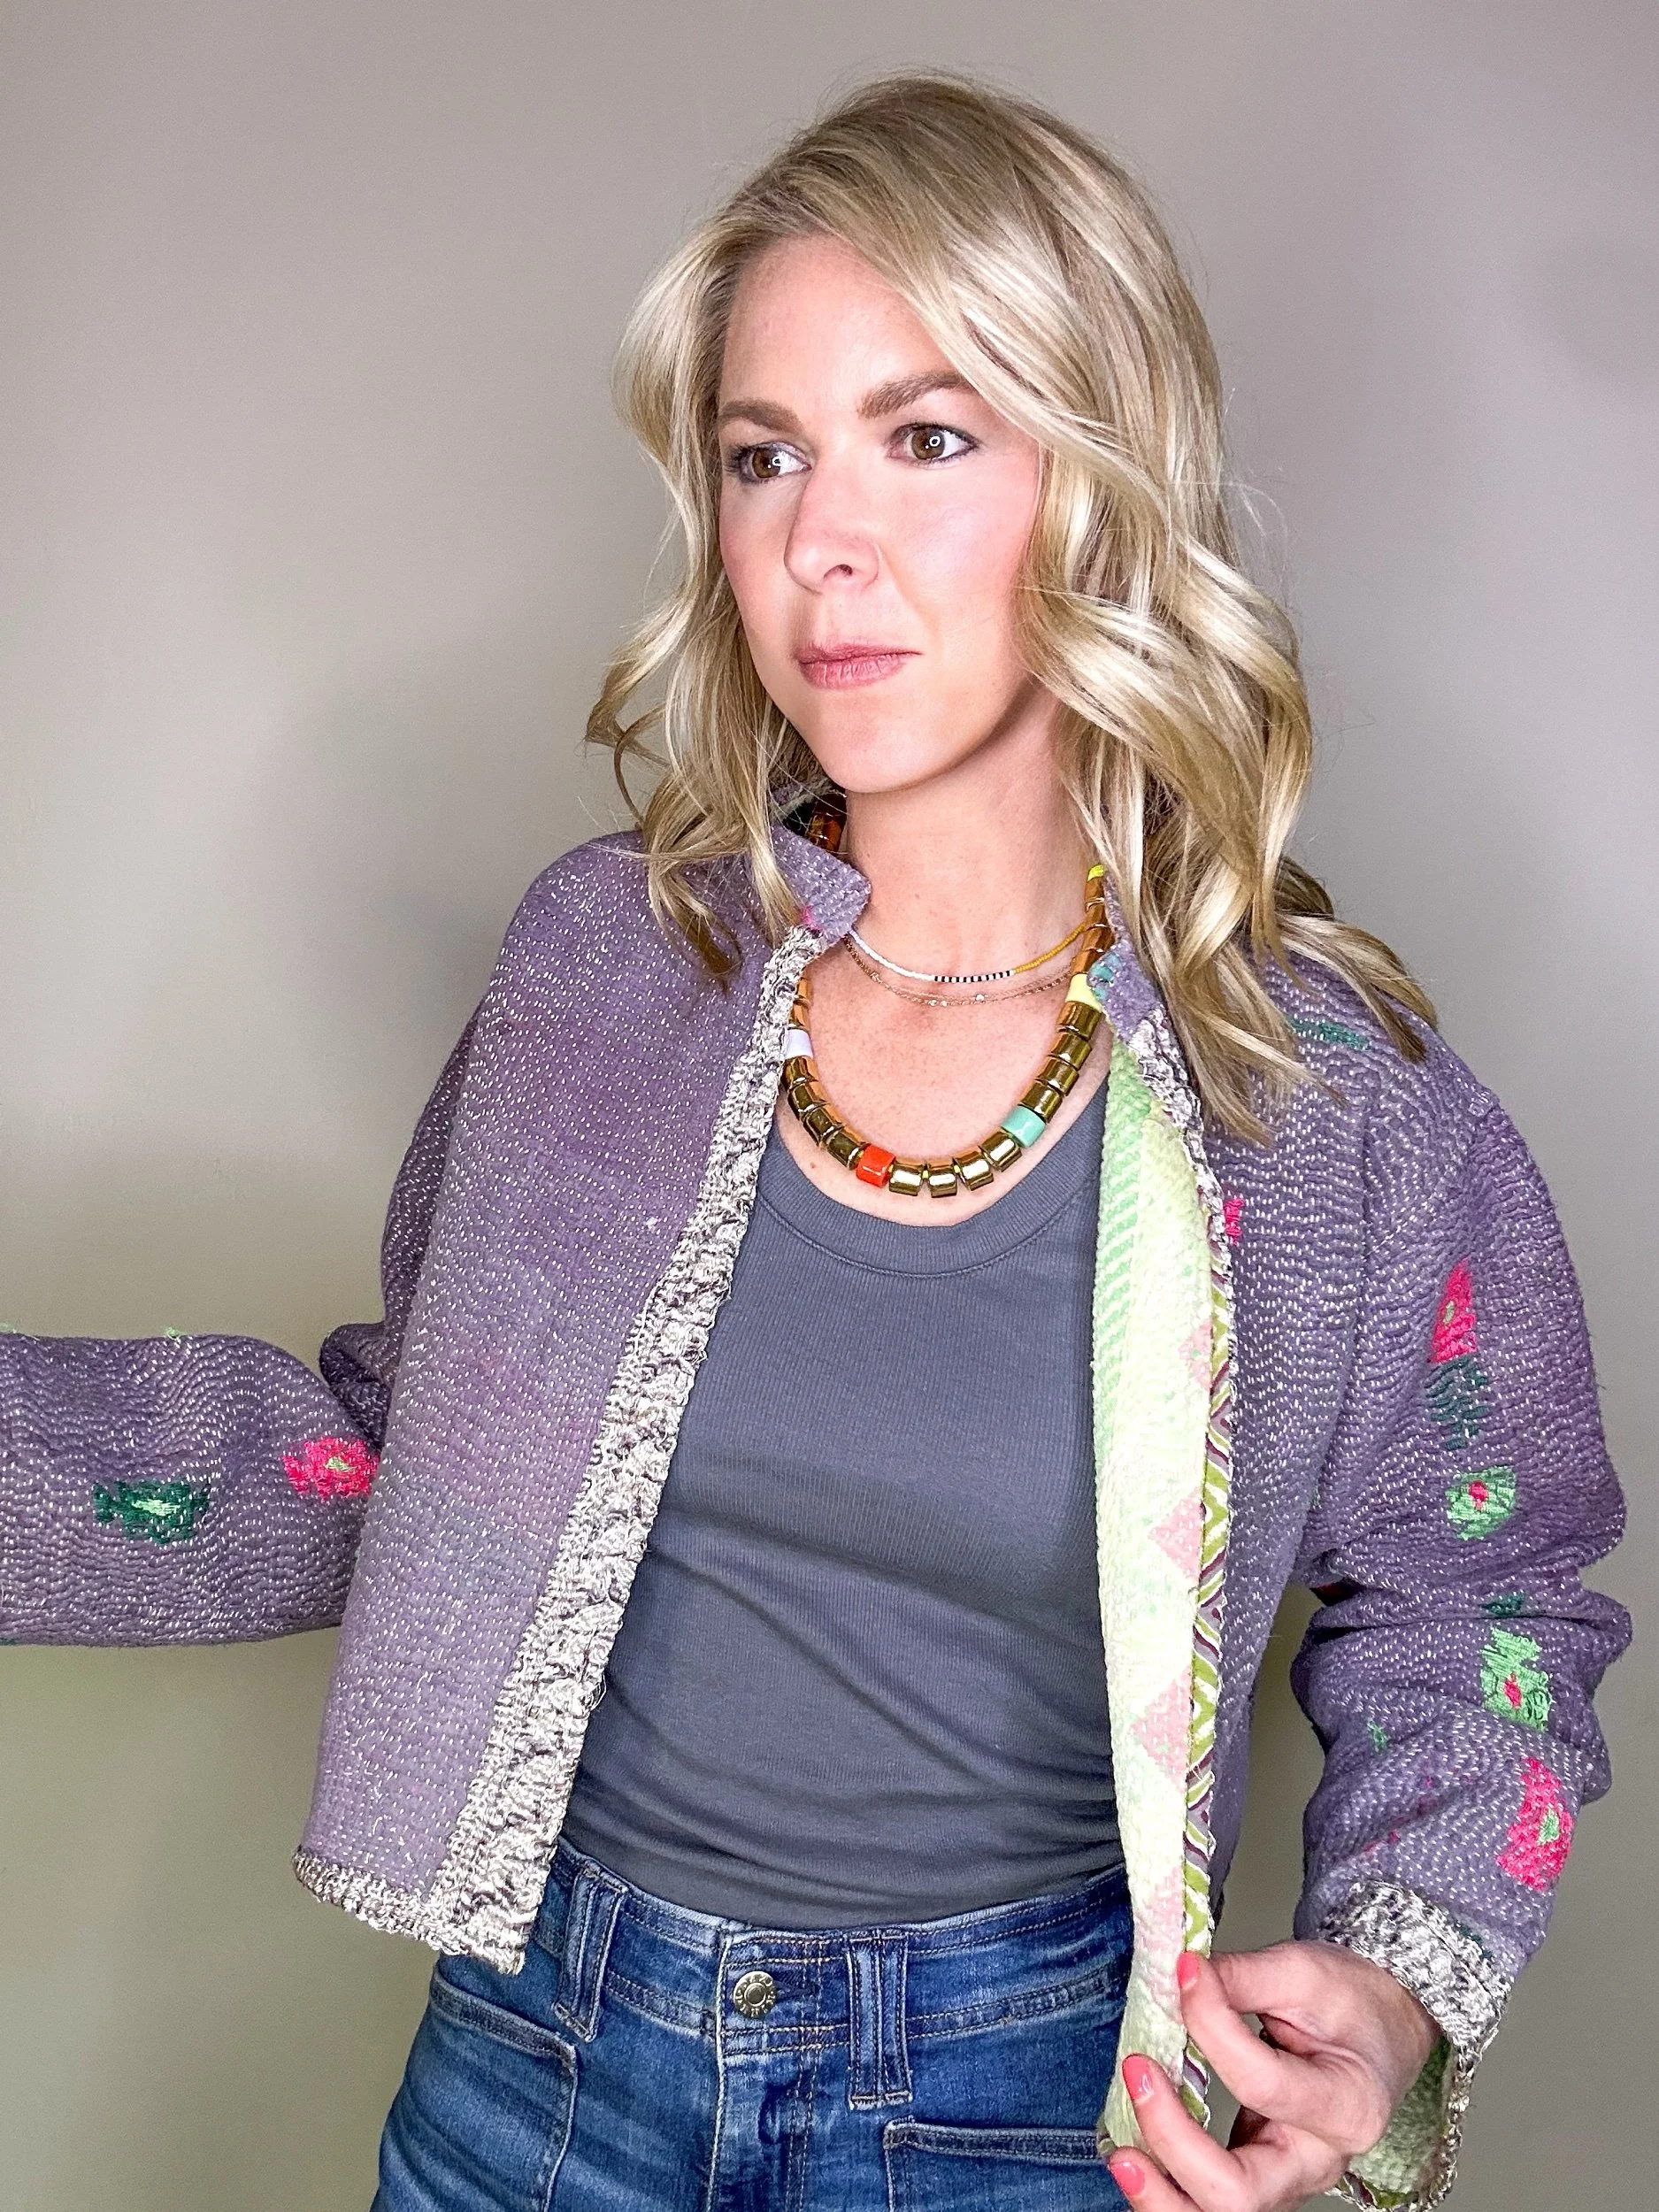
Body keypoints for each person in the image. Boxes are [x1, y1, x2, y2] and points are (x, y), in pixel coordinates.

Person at [0, 73, 1628, 2212]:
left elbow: (1482, 1596)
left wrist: (1398, 1989)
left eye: (923, 437)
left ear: (1102, 484)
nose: (814, 543)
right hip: (533, 2068)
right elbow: (419, 1454)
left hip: (1030, 2101)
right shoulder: (611, 967)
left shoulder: (1322, 1099)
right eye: (761, 454)